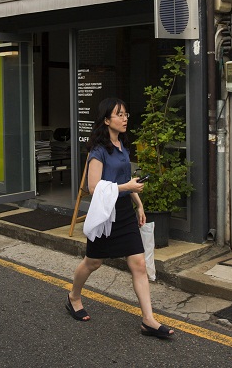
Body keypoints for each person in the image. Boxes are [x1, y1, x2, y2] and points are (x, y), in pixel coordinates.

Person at [66, 97, 174, 339]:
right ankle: (73, 296)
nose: (125, 118)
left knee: (138, 264)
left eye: (126, 114)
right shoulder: (98, 151)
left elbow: (126, 181)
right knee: (93, 262)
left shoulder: (123, 147)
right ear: (106, 120)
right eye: (119, 115)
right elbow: (94, 188)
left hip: (124, 211)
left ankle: (148, 320)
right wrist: (128, 188)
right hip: (106, 215)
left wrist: (139, 205)